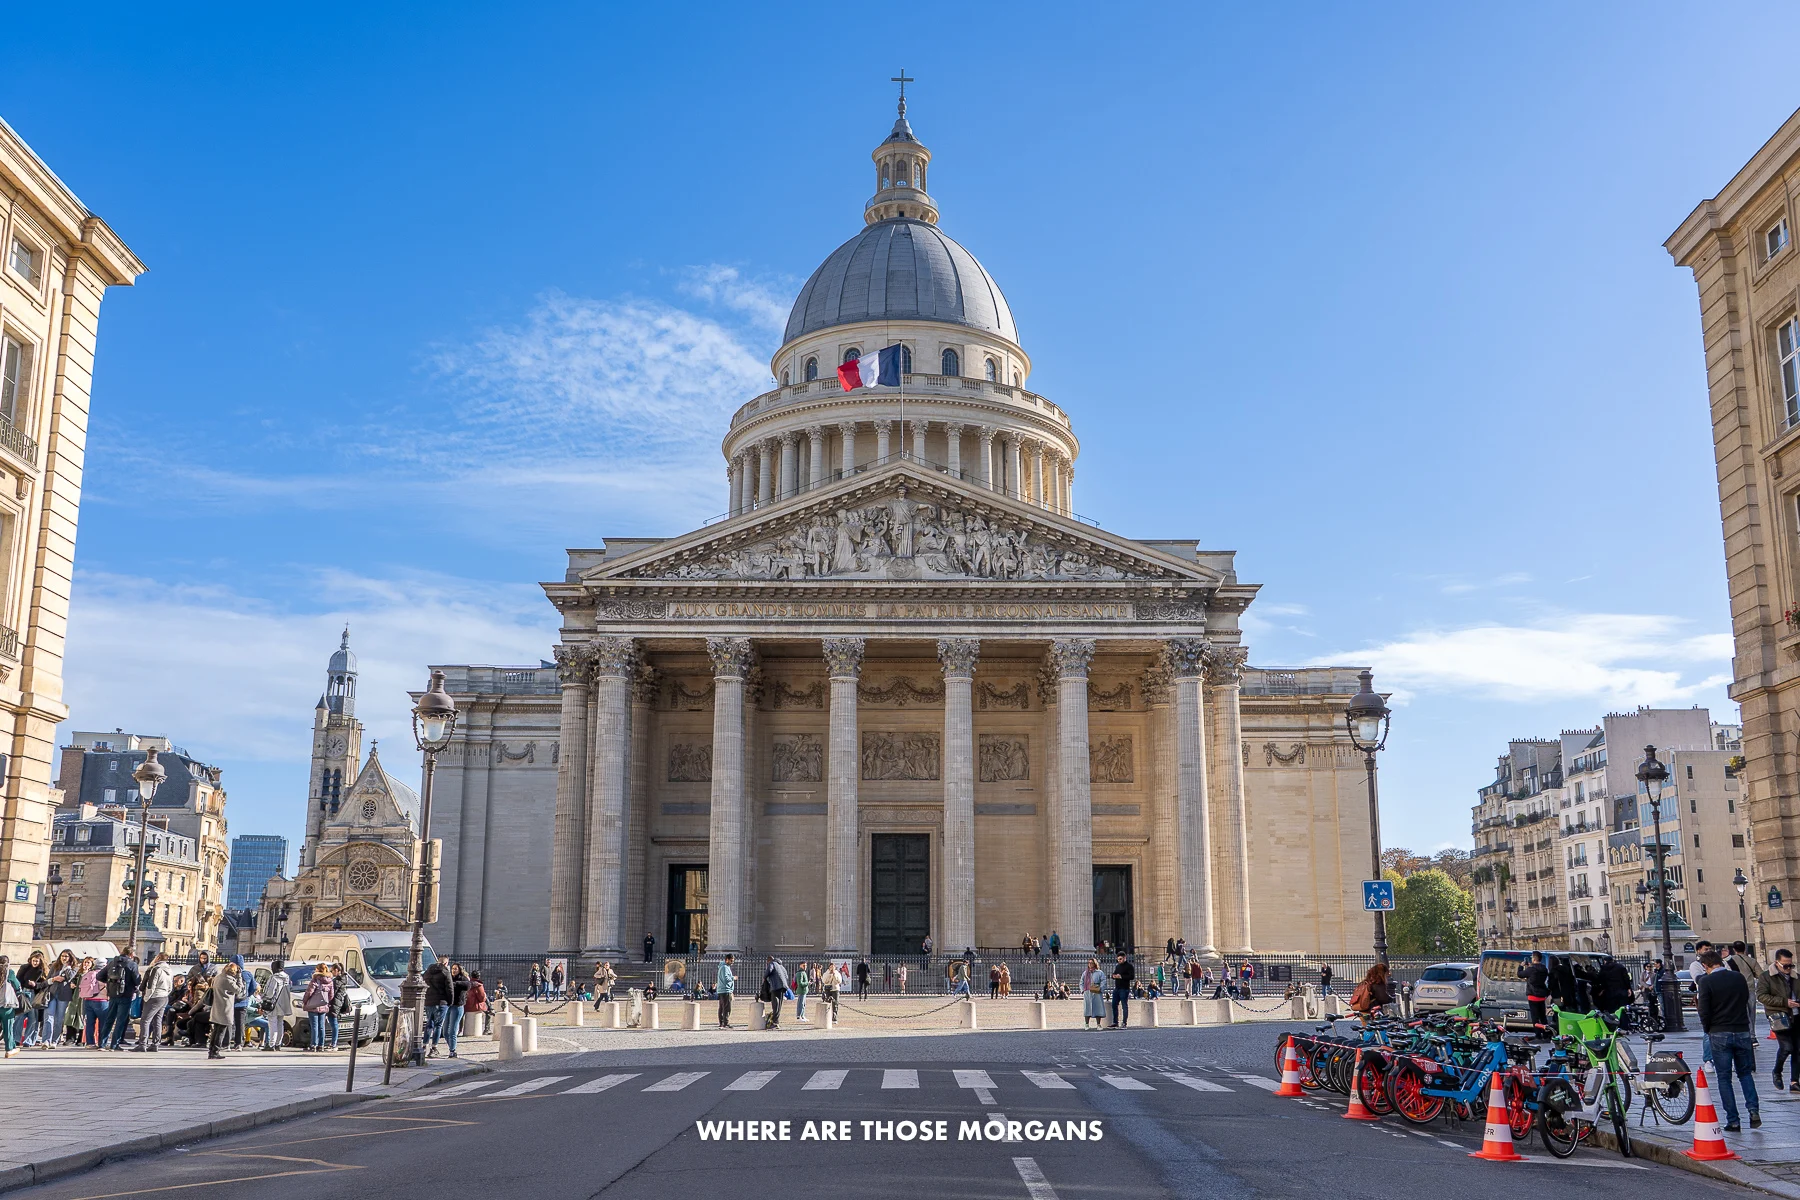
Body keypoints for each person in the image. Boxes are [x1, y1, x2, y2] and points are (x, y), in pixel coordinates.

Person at [1698, 948, 1760, 1132]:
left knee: (1724, 1078)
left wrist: (1708, 1028)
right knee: (1745, 1073)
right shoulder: (1738, 978)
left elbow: (1704, 1010)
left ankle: (1733, 1120)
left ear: (1705, 966)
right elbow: (1745, 1001)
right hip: (1741, 1030)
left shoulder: (1706, 981)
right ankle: (1753, 1110)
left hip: (1719, 1031)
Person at [1759, 950, 1800, 1094]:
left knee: (1798, 1050)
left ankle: (1795, 1081)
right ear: (1777, 963)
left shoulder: (1796, 977)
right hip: (1779, 1017)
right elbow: (1762, 996)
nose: (1789, 969)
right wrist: (1784, 1002)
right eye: (1785, 966)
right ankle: (1777, 1071)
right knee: (1787, 1048)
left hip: (1797, 1016)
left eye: (1791, 965)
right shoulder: (1767, 977)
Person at [97, 949, 141, 1051]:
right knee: (120, 1021)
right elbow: (137, 980)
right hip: (126, 995)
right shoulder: (132, 964)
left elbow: (99, 976)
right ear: (131, 954)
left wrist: (109, 982)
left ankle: (102, 1044)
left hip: (112, 994)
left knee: (109, 1019)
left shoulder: (112, 962)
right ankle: (114, 1045)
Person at [134, 952, 176, 1052]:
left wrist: (147, 997)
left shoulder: (156, 969)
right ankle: (155, 1044)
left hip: (155, 996)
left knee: (145, 1020)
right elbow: (171, 986)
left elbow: (151, 985)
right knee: (158, 1021)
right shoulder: (169, 970)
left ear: (158, 958)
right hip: (164, 996)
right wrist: (166, 993)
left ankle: (142, 1044)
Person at [38, 949, 75, 1050]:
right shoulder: (55, 966)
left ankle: (54, 1040)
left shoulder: (73, 968)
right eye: (62, 956)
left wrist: (67, 968)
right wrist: (54, 979)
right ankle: (46, 1040)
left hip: (63, 996)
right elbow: (47, 981)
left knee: (59, 1019)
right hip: (51, 994)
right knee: (48, 1017)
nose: (64, 958)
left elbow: (71, 978)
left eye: (66, 956)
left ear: (70, 958)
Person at [208, 961, 244, 1061]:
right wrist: (239, 977)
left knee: (216, 1030)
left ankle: (211, 1050)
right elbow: (239, 990)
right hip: (225, 1008)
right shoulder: (228, 980)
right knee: (221, 1031)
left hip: (216, 1006)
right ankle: (215, 1051)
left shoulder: (218, 977)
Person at [257, 959, 293, 1051]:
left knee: (272, 1024)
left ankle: (271, 1044)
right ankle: (278, 1044)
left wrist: (263, 997)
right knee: (280, 1024)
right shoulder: (287, 977)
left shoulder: (274, 977)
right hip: (283, 1003)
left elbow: (270, 992)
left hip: (274, 1003)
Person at [423, 958, 455, 1057]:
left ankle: (424, 1046)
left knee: (429, 1024)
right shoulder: (445, 972)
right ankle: (434, 1048)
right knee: (438, 1025)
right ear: (446, 963)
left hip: (428, 1001)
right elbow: (450, 988)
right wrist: (450, 1001)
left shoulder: (427, 972)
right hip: (441, 1001)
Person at [301, 966, 334, 1052]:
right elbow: (331, 995)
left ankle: (313, 1045)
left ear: (318, 970)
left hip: (313, 1006)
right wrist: (326, 1002)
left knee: (314, 1026)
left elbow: (309, 992)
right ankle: (321, 1045)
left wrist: (305, 1001)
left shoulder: (315, 980)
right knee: (322, 1026)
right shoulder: (330, 981)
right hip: (323, 1006)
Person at [1522, 951, 1551, 1033]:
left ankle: (1538, 1035)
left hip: (1532, 995)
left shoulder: (1531, 969)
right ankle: (1546, 1034)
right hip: (1541, 995)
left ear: (1534, 959)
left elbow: (1520, 974)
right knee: (1542, 1016)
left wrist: (1521, 967)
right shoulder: (1544, 969)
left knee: (1535, 1017)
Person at [1106, 952, 1135, 1029]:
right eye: (1118, 959)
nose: (1119, 960)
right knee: (1114, 1005)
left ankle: (1124, 1023)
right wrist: (1113, 976)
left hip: (1124, 988)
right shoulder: (1118, 966)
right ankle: (1115, 1022)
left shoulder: (1129, 966)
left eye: (1120, 959)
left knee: (1124, 1006)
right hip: (1117, 988)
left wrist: (1121, 976)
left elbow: (1132, 976)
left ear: (1124, 958)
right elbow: (1114, 974)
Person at [0, 955, 21, 1058]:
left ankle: (12, 1047)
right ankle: (9, 1049)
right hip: (6, 1005)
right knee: (8, 1027)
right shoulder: (10, 973)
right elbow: (17, 986)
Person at [763, 956, 788, 1030]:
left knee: (775, 1004)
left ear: (768, 961)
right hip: (783, 987)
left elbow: (769, 970)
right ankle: (776, 1021)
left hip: (776, 986)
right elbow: (786, 976)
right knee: (779, 1004)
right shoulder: (781, 966)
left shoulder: (772, 963)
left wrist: (764, 977)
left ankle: (774, 1023)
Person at [1080, 957, 1106, 1029]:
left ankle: (1098, 1024)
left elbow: (1103, 981)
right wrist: (1083, 990)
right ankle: (1087, 1024)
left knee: (1098, 1007)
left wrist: (1100, 988)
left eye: (1091, 963)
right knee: (1087, 1008)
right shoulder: (1085, 973)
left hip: (1096, 990)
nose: (1090, 964)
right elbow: (1081, 982)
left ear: (1095, 964)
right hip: (1087, 991)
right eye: (1089, 963)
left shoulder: (1099, 972)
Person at [716, 954, 736, 1028]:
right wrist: (733, 978)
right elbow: (726, 978)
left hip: (723, 990)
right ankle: (725, 1023)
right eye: (731, 961)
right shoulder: (724, 967)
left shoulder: (723, 967)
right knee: (726, 1008)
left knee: (722, 1007)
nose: (732, 962)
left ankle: (722, 1023)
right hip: (725, 990)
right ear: (727, 959)